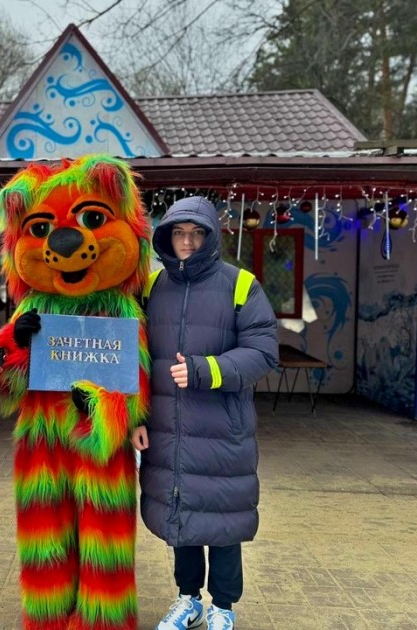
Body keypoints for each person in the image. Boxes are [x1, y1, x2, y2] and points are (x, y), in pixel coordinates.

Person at [132, 196, 278, 630]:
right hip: (167, 428)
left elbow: (263, 352)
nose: (188, 242)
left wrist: (205, 370)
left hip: (221, 429)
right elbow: (135, 359)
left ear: (211, 237)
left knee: (223, 520)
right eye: (179, 233)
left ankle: (223, 607)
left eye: (197, 234)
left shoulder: (240, 284)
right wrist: (136, 416)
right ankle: (188, 598)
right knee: (181, 513)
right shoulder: (153, 288)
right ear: (167, 237)